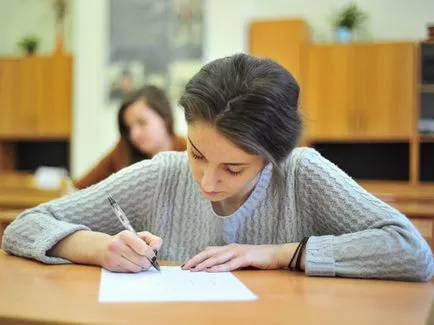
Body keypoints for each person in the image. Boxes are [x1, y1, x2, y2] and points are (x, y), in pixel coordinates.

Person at [2, 54, 433, 281]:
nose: (208, 182)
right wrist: (98, 248)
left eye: (233, 168)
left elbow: (412, 254)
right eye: (198, 153)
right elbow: (22, 227)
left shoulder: (299, 172)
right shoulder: (163, 173)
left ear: (272, 156)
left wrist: (279, 255)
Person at [75, 85, 186, 189]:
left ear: (165, 119)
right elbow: (78, 188)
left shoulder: (189, 152)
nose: (134, 135)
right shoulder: (124, 148)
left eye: (142, 123)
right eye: (128, 128)